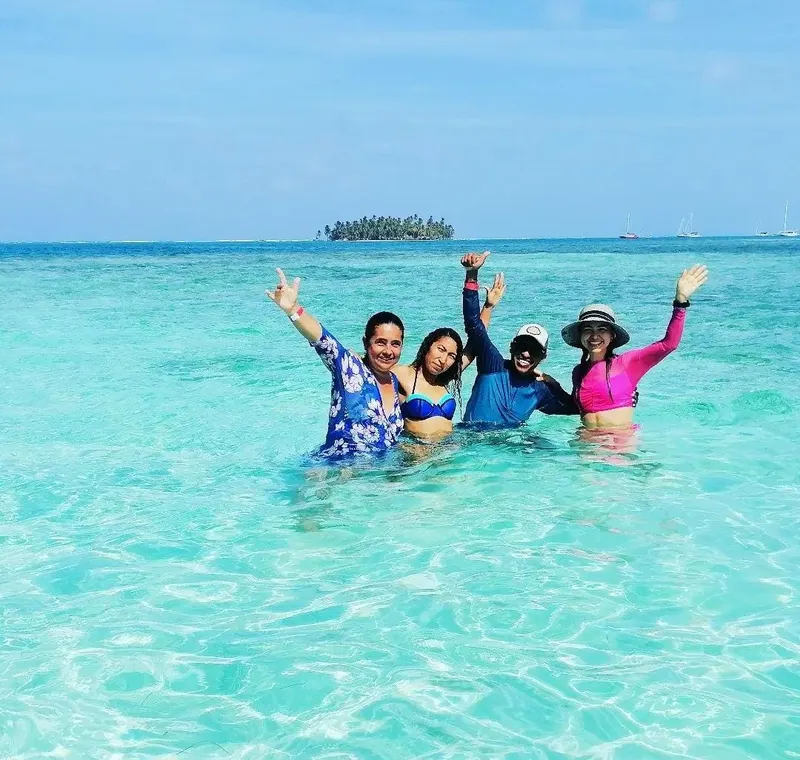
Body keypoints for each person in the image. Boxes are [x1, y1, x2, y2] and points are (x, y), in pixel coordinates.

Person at [265, 268, 404, 458]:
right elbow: (322, 339)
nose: (388, 351)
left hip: (376, 480)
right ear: (366, 343)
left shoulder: (394, 381)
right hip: (338, 471)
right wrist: (293, 309)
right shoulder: (349, 367)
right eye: (380, 342)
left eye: (395, 344)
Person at [561, 264, 709, 430]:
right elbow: (573, 408)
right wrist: (547, 382)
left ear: (612, 335)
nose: (594, 336)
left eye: (602, 329)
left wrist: (680, 303)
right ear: (580, 336)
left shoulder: (628, 363)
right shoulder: (578, 372)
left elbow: (669, 344)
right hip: (585, 446)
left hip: (619, 446)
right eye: (588, 330)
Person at [460, 252, 577, 426]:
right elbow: (474, 326)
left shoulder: (539, 390)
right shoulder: (492, 364)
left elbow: (574, 408)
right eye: (521, 346)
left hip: (509, 450)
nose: (525, 353)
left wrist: (553, 383)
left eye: (534, 350)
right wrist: (471, 275)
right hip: (472, 443)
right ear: (512, 347)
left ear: (543, 356)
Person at [392, 274, 506, 439]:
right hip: (418, 459)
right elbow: (368, 367)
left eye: (451, 355)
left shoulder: (442, 380)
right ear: (427, 346)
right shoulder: (402, 374)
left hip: (451, 457)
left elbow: (475, 344)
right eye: (440, 349)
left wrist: (488, 306)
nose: (443, 360)